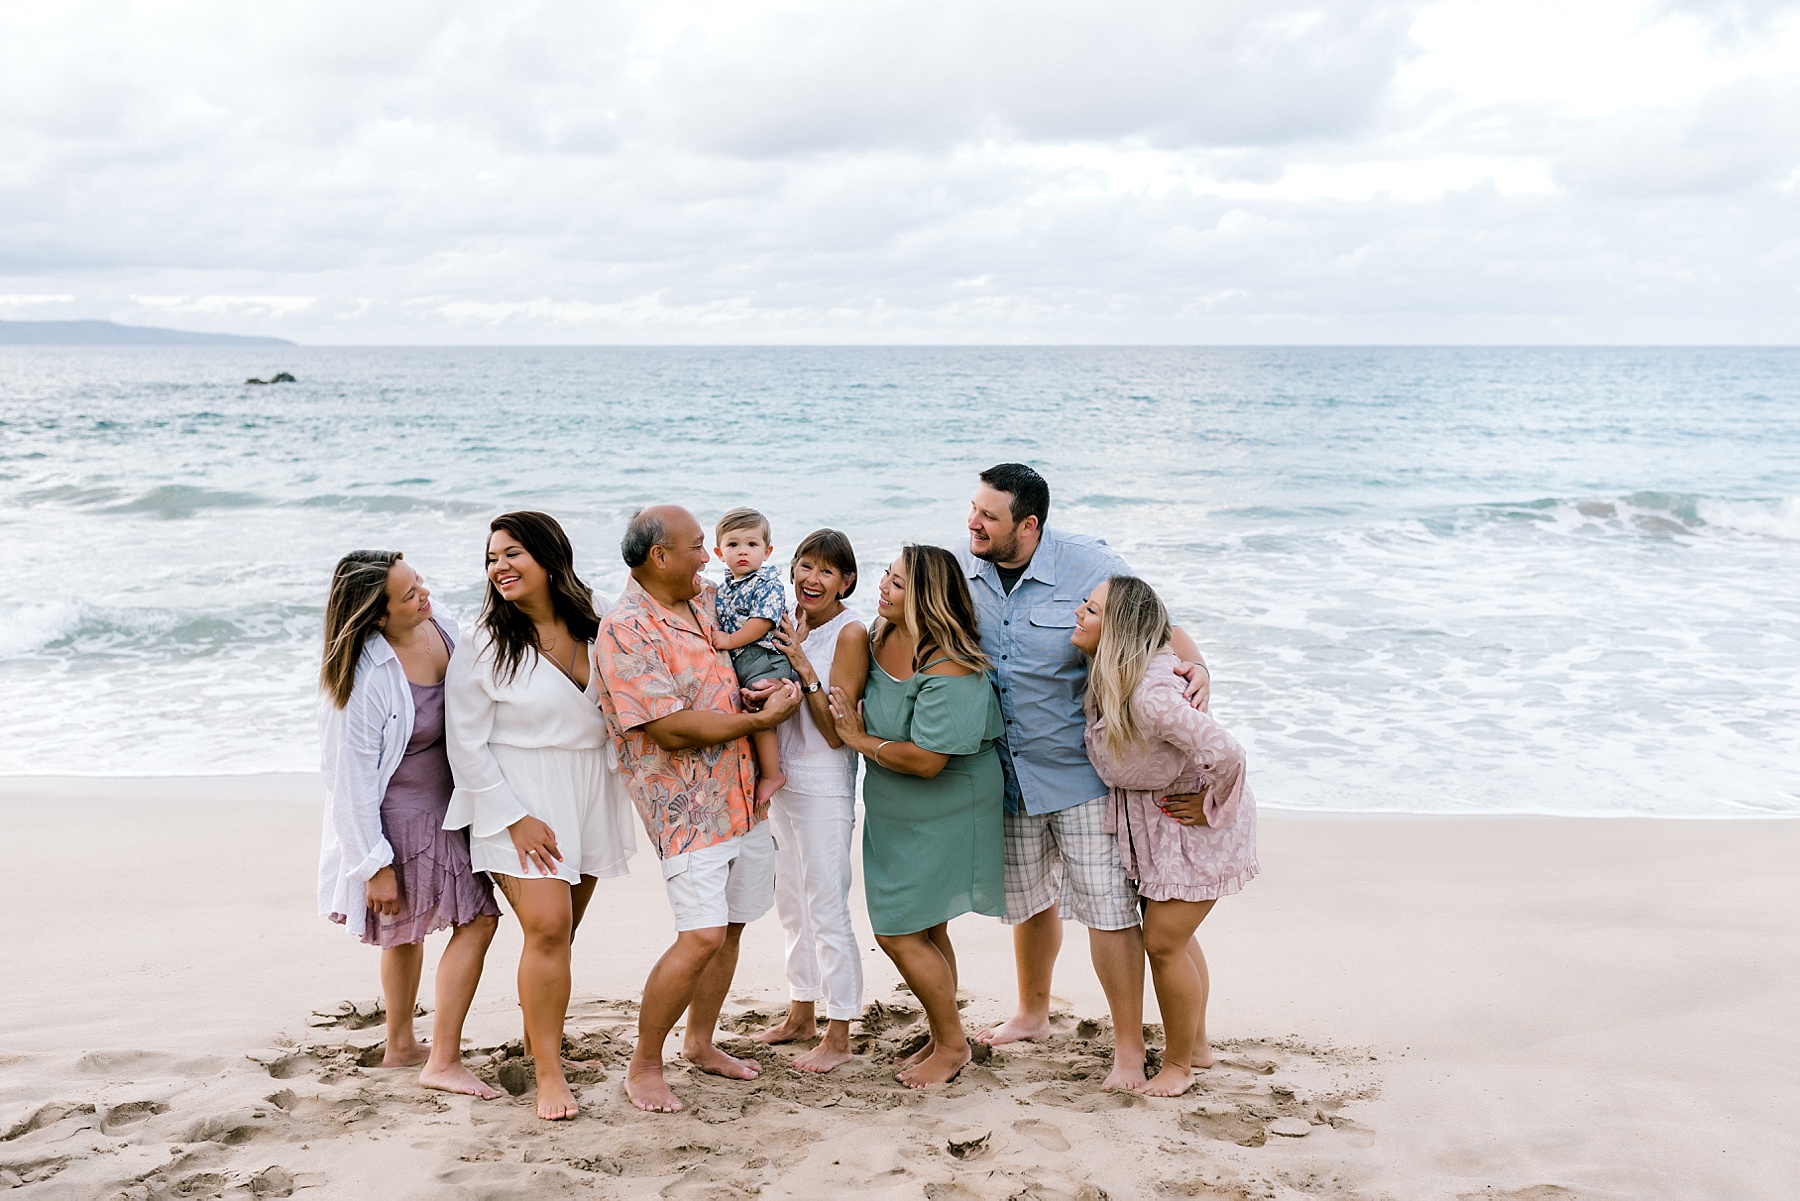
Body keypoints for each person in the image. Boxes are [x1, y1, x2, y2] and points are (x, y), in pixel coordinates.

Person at [954, 462, 1213, 1091]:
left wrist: (1199, 668)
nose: (973, 523)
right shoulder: (963, 566)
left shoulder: (1090, 564)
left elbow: (1156, 625)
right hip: (1006, 773)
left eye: (988, 515)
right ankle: (1032, 1014)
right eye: (974, 509)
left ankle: (1129, 1048)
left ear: (1028, 525)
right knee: (1029, 902)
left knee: (1111, 912)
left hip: (1082, 775)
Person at [593, 505, 803, 1114]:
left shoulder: (708, 598)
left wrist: (771, 689)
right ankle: (644, 1065)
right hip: (688, 809)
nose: (708, 556)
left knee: (730, 927)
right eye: (695, 547)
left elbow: (751, 653)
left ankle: (701, 1042)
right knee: (700, 935)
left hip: (744, 794)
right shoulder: (627, 629)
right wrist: (760, 721)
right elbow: (670, 727)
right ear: (659, 556)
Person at [444, 512, 638, 1121]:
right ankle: (548, 1075)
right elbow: (464, 745)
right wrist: (513, 817)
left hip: (589, 790)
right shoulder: (483, 641)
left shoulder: (599, 616)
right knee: (549, 927)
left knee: (561, 931)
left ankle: (538, 1041)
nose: (499, 567)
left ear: (550, 556)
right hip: (518, 795)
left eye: (512, 554)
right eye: (491, 558)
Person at [316, 551, 502, 1100]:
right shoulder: (363, 678)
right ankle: (442, 1060)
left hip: (451, 804)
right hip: (401, 821)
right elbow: (347, 780)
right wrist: (373, 865)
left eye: (418, 580)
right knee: (475, 921)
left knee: (408, 934)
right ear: (378, 615)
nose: (424, 593)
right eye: (409, 593)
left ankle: (400, 1045)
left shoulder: (438, 623)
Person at [826, 544, 1005, 1089]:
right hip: (894, 802)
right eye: (886, 575)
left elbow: (928, 761)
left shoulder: (948, 663)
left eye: (898, 583)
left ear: (927, 597)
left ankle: (953, 1045)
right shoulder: (880, 635)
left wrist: (859, 740)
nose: (883, 586)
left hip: (948, 800)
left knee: (898, 930)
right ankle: (943, 1031)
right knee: (925, 925)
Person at [1073, 575, 1257, 1096]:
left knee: (1161, 941)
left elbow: (1228, 752)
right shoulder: (1117, 676)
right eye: (1084, 604)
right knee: (1174, 937)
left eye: (1092, 610)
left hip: (1194, 832)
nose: (1078, 614)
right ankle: (1195, 1047)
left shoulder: (1152, 694)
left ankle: (1179, 1065)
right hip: (1165, 831)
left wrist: (1211, 806)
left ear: (1121, 630)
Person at [749, 528, 870, 1073]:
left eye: (826, 571)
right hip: (784, 782)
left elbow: (836, 733)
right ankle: (801, 1012)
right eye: (804, 565)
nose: (811, 579)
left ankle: (839, 1032)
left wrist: (803, 667)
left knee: (827, 906)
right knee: (792, 906)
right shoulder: (787, 621)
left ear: (846, 581)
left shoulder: (850, 632)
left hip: (824, 785)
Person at [709, 507, 799, 804]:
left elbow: (762, 622)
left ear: (767, 551)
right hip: (743, 663)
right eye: (733, 544)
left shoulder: (767, 584)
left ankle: (773, 774)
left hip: (767, 659)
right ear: (719, 553)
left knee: (763, 715)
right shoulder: (725, 588)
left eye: (752, 544)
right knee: (746, 714)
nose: (742, 551)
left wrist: (729, 640)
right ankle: (755, 771)